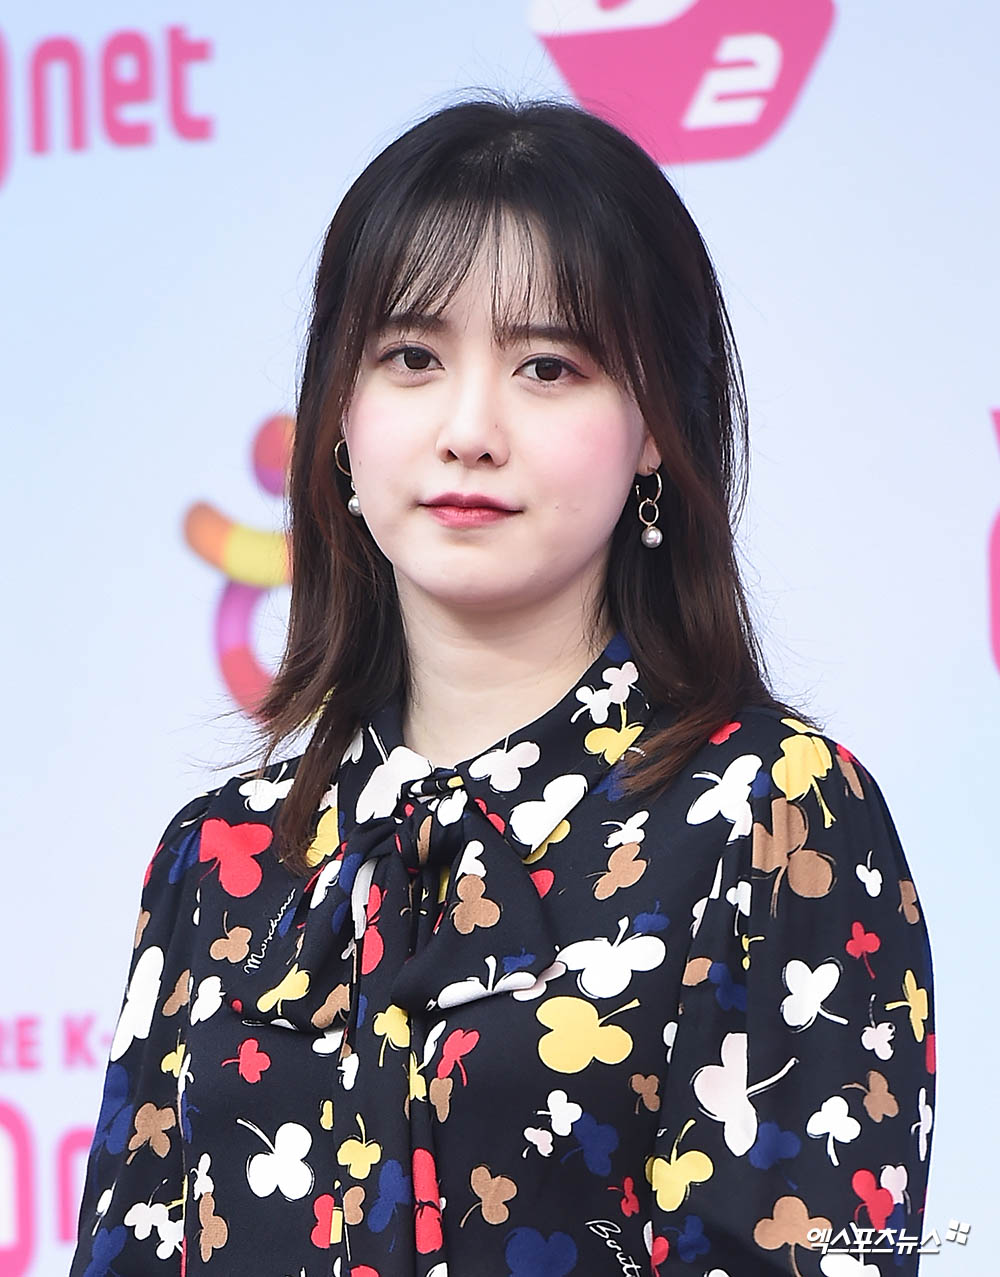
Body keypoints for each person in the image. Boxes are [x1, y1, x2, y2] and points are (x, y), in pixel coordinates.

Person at [69, 93, 935, 1277]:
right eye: (412, 359)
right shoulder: (221, 858)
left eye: (546, 366)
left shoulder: (772, 813)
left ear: (653, 426)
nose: (469, 428)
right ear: (339, 413)